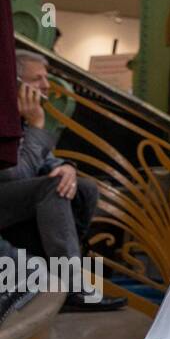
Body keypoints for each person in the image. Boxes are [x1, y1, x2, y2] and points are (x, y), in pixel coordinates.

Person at [0, 51, 124, 311]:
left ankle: (61, 272)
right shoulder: (6, 118)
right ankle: (72, 287)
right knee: (51, 188)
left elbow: (46, 161)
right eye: (37, 79)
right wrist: (36, 125)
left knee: (83, 188)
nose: (46, 85)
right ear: (15, 84)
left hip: (13, 203)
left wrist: (67, 167)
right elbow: (16, 174)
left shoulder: (21, 117)